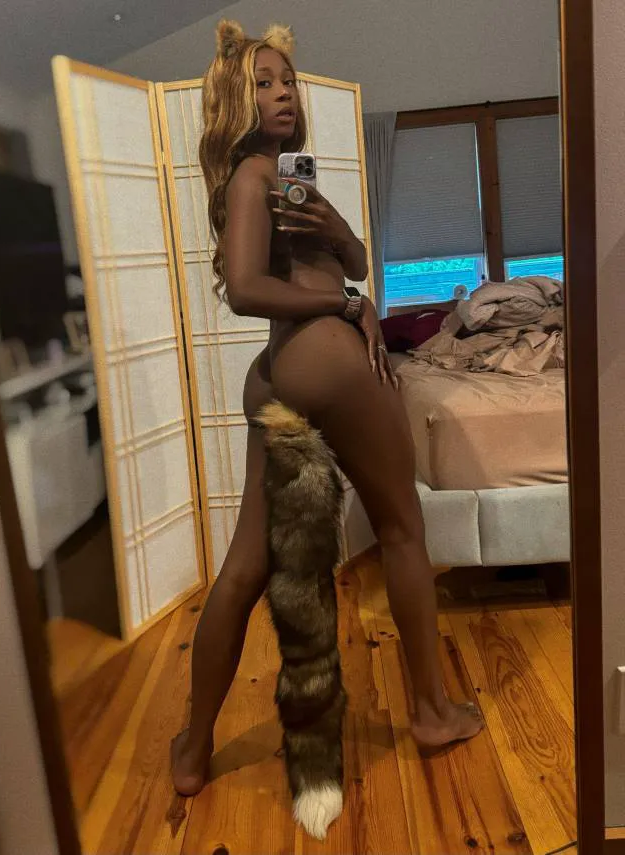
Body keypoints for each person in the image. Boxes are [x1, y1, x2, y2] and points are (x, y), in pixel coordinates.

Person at [171, 19, 484, 797]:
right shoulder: (252, 178)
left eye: (287, 81)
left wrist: (342, 238)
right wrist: (343, 307)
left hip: (276, 374)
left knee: (245, 565)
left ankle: (193, 745)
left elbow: (355, 262)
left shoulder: (287, 180)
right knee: (402, 526)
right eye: (263, 84)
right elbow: (246, 289)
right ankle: (432, 710)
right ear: (235, 102)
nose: (283, 93)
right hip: (329, 362)